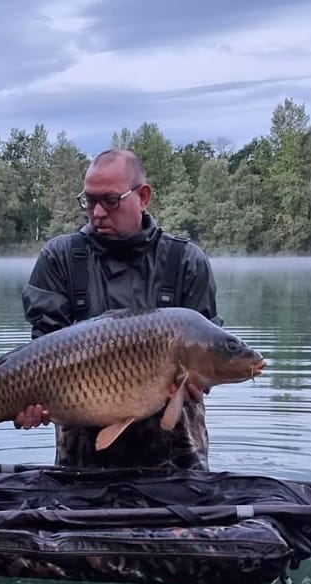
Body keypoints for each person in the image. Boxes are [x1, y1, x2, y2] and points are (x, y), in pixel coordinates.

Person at [14, 148, 221, 471]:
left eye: (110, 201)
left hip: (176, 453)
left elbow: (211, 352)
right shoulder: (60, 258)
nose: (97, 213)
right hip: (83, 453)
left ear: (143, 197)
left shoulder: (186, 261)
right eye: (89, 201)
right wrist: (28, 403)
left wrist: (198, 382)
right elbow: (42, 350)